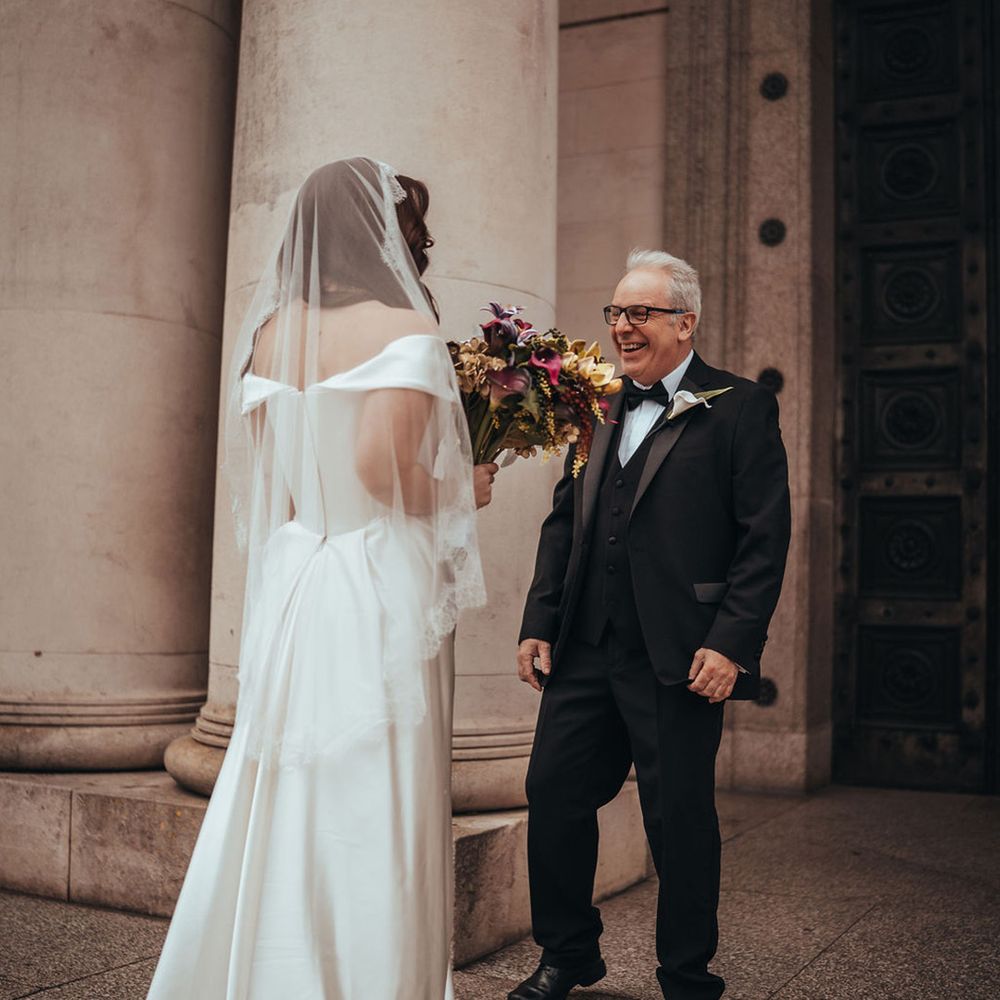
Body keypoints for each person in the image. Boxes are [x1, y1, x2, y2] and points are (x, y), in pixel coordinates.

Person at [147, 157, 491, 1000]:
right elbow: (381, 468)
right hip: (375, 574)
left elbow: (283, 474)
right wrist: (463, 486)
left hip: (301, 573)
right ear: (384, 232)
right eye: (413, 228)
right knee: (374, 784)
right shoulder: (402, 327)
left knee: (287, 782)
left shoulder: (271, 332)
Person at [511, 250, 790, 1000]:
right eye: (615, 313)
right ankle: (569, 953)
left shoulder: (738, 404)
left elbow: (765, 538)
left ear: (685, 322)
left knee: (679, 821)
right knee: (555, 792)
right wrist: (539, 621)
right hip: (584, 650)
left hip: (681, 654)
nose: (622, 328)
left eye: (640, 313)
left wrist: (732, 642)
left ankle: (686, 974)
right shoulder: (595, 406)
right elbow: (565, 522)